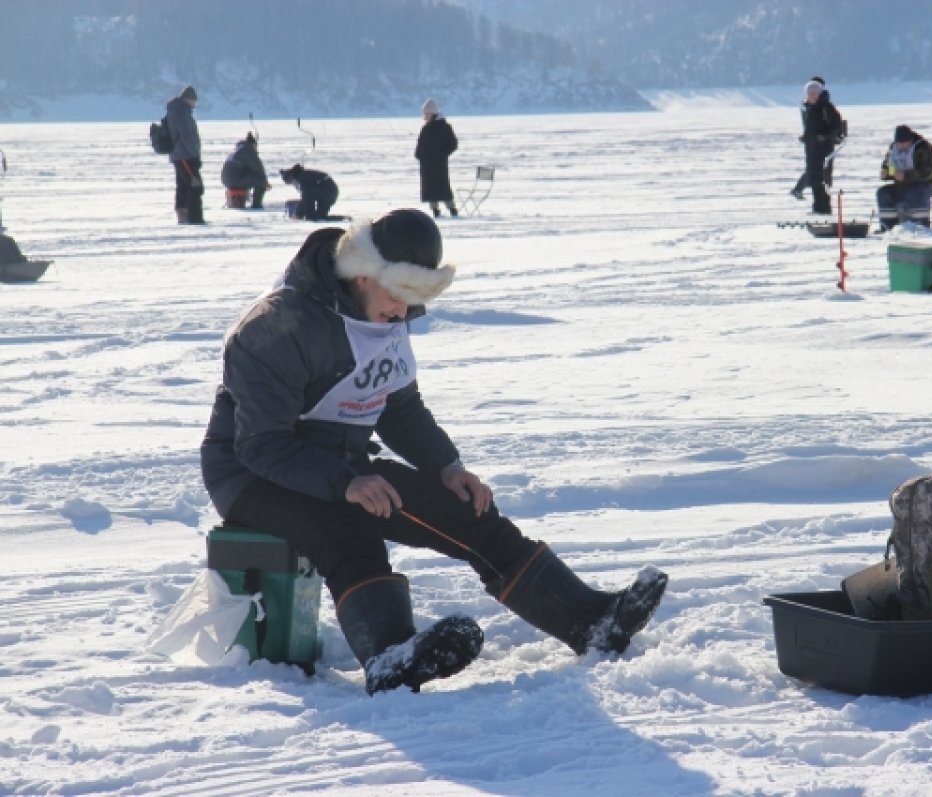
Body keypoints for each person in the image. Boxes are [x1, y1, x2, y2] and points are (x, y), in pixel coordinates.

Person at [200, 208, 669, 694]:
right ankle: (389, 657)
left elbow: (399, 408)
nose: (406, 312)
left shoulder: (382, 315)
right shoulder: (278, 325)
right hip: (252, 476)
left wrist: (447, 466)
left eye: (418, 298)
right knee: (345, 527)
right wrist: (347, 484)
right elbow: (261, 443)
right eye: (401, 295)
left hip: (340, 465)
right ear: (363, 274)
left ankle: (589, 621)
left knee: (467, 512)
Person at [790, 78, 843, 215]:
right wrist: (806, 137)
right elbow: (810, 127)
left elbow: (837, 126)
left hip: (824, 148)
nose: (812, 96)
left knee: (823, 177)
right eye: (809, 94)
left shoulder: (827, 107)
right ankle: (818, 207)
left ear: (820, 93)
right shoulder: (807, 107)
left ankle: (824, 208)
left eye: (815, 94)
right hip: (811, 148)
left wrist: (825, 136)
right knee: (813, 178)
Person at [876, 125, 932, 230]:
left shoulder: (924, 148)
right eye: (899, 143)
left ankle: (920, 226)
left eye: (904, 143)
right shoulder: (893, 149)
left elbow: (927, 172)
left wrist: (906, 176)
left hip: (925, 185)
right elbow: (889, 166)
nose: (901, 146)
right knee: (883, 193)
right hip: (901, 185)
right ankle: (888, 227)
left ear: (911, 140)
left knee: (915, 193)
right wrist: (887, 173)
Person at [166, 85, 204, 225]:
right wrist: (195, 155)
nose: (195, 104)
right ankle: (195, 217)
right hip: (185, 155)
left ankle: (183, 215)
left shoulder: (176, 110)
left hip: (179, 155)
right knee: (195, 185)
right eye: (194, 101)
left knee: (182, 185)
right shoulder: (181, 112)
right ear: (188, 99)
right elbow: (187, 136)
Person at [415, 98, 458, 218]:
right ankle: (435, 210)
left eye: (426, 113)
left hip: (439, 164)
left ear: (432, 113)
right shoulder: (426, 128)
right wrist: (419, 155)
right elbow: (420, 145)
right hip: (427, 165)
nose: (425, 116)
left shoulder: (444, 127)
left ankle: (452, 209)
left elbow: (453, 144)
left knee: (443, 187)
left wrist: (442, 154)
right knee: (429, 188)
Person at [220, 132, 270, 209]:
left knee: (253, 177)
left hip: (226, 180)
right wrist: (265, 183)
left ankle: (235, 201)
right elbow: (259, 169)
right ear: (253, 144)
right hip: (235, 180)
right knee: (261, 179)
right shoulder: (248, 150)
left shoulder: (238, 149)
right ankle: (256, 205)